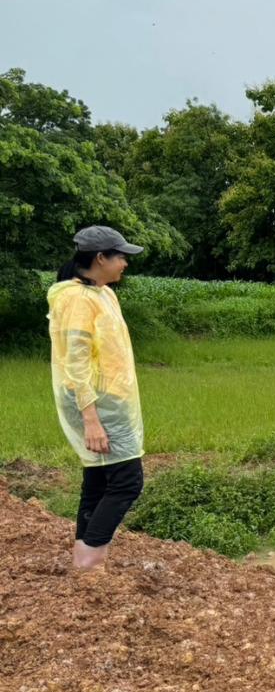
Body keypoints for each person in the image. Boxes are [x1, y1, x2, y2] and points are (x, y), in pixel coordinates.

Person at [47, 226, 147, 570]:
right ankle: (91, 560)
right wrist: (91, 418)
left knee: (99, 479)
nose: (125, 263)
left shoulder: (103, 293)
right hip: (94, 404)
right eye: (120, 256)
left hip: (110, 401)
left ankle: (84, 563)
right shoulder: (76, 299)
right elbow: (74, 362)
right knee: (127, 481)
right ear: (100, 258)